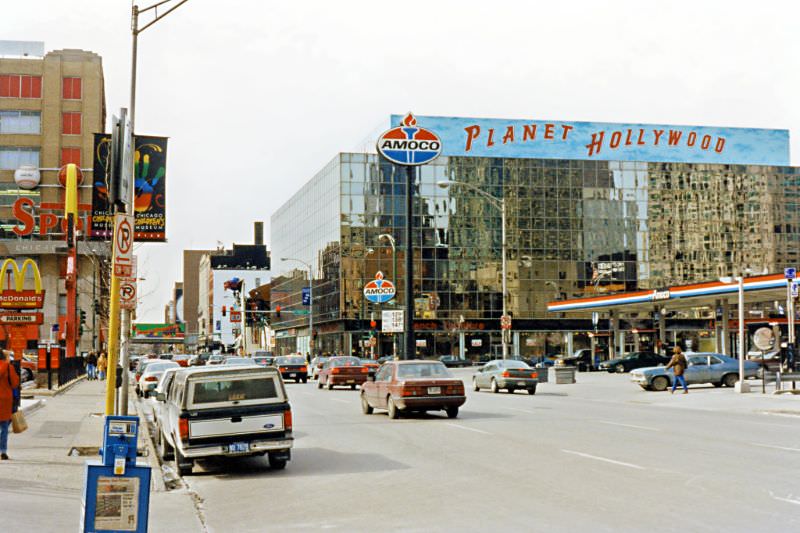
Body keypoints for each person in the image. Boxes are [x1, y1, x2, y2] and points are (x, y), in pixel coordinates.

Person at [0, 350, 20, 460]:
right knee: (4, 427)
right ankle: (3, 451)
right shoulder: (8, 367)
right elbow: (15, 383)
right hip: (5, 400)